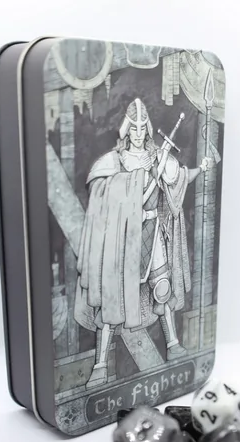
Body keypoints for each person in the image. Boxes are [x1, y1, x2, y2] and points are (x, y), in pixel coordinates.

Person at [75, 98, 212, 389]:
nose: (138, 133)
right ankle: (100, 364)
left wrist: (201, 168)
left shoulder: (157, 157)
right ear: (127, 129)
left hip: (153, 228)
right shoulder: (114, 161)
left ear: (148, 128)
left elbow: (179, 177)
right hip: (123, 237)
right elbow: (101, 194)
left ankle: (173, 344)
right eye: (133, 127)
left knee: (162, 288)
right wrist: (135, 182)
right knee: (113, 297)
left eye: (142, 127)